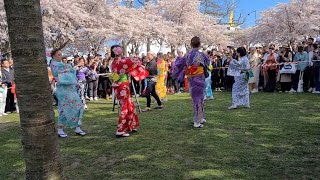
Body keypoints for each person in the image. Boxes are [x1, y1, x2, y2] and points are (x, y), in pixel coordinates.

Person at [110, 45, 148, 137]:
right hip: (123, 85)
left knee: (130, 105)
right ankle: (120, 129)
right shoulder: (123, 61)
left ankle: (131, 124)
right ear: (119, 51)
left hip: (118, 85)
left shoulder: (113, 62)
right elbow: (136, 63)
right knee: (125, 107)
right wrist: (134, 59)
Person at [173, 36, 210, 128]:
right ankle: (197, 121)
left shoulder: (187, 55)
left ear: (191, 44)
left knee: (198, 99)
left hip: (192, 79)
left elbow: (179, 65)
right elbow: (208, 63)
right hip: (200, 78)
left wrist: (175, 74)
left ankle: (200, 117)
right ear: (200, 44)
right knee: (199, 99)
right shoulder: (202, 54)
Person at [50, 49, 86, 138]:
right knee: (64, 109)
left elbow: (70, 72)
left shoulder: (63, 65)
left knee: (79, 106)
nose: (60, 56)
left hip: (71, 89)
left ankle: (77, 127)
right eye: (58, 55)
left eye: (61, 54)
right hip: (63, 90)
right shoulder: (54, 65)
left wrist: (70, 70)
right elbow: (63, 74)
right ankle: (60, 129)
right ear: (53, 56)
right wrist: (70, 70)